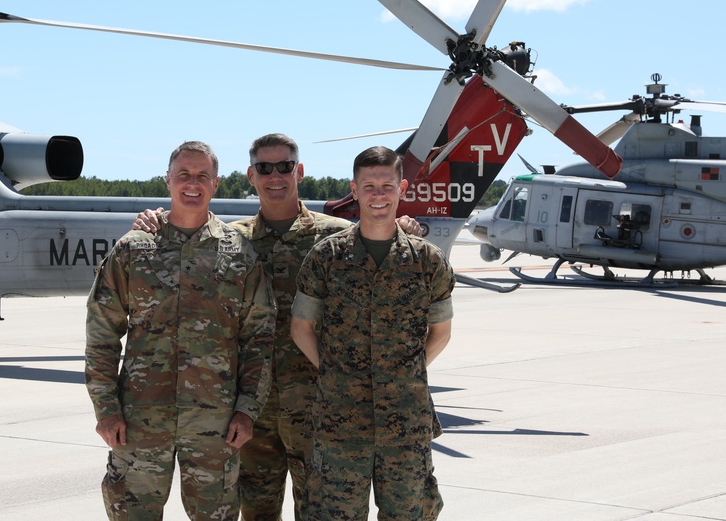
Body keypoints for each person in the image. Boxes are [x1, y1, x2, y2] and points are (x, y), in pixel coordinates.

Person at [133, 133, 421, 521]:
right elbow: (183, 238)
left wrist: (403, 224)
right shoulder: (231, 239)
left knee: (320, 509)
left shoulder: (335, 236)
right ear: (251, 176)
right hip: (252, 411)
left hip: (319, 408)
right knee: (257, 510)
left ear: (298, 171)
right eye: (265, 168)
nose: (275, 176)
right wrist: (154, 221)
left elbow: (382, 236)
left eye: (284, 166)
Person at [85, 140, 276, 521]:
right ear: (168, 180)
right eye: (184, 175)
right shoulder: (133, 250)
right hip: (140, 421)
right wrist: (106, 410)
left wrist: (246, 412)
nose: (193, 183)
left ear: (216, 183)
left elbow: (259, 339)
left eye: (202, 175)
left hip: (215, 425)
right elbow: (102, 336)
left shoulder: (239, 253)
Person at [291, 145, 454, 520]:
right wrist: (334, 371)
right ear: (355, 189)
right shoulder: (326, 257)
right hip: (339, 421)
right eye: (368, 186)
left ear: (402, 188)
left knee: (409, 513)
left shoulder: (428, 261)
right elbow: (301, 328)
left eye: (386, 185)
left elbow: (441, 333)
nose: (378, 195)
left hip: (406, 423)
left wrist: (403, 373)